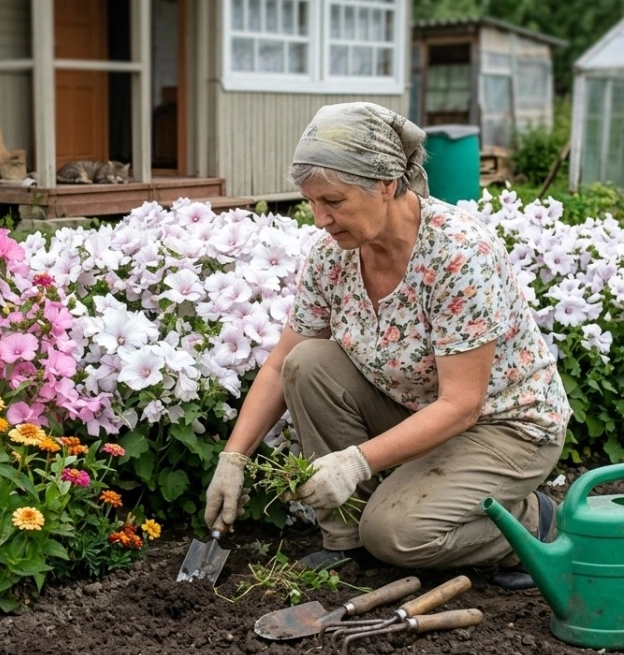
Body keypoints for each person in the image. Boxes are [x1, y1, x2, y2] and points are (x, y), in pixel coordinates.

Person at [203, 102, 571, 590]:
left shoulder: (460, 255)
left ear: (386, 184)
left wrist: (355, 462)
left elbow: (463, 405)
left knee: (397, 534)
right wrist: (234, 458)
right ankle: (346, 540)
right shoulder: (333, 256)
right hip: (418, 409)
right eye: (311, 202)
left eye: (332, 201)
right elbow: (278, 367)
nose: (320, 219)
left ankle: (531, 520)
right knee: (307, 363)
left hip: (502, 426)